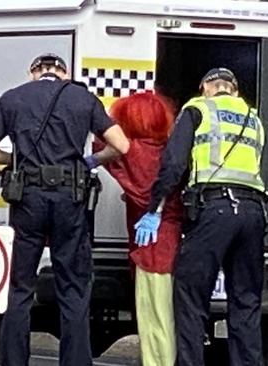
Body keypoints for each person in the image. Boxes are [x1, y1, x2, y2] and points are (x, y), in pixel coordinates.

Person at [0, 53, 129, 366]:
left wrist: (13, 161)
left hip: (27, 198)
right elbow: (121, 145)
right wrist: (92, 161)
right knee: (73, 286)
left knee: (20, 287)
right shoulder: (82, 98)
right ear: (63, 73)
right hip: (69, 199)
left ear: (33, 73)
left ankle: (14, 361)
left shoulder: (13, 98)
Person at [134, 67, 268, 366]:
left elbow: (173, 163)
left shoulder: (198, 109)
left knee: (191, 296)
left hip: (215, 209)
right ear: (234, 89)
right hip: (253, 212)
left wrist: (154, 208)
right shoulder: (254, 118)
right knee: (246, 301)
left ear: (205, 87)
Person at [91, 92, 183, 366]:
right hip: (173, 241)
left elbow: (100, 143)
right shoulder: (170, 150)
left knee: (152, 315)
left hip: (149, 247)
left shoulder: (132, 152)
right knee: (169, 314)